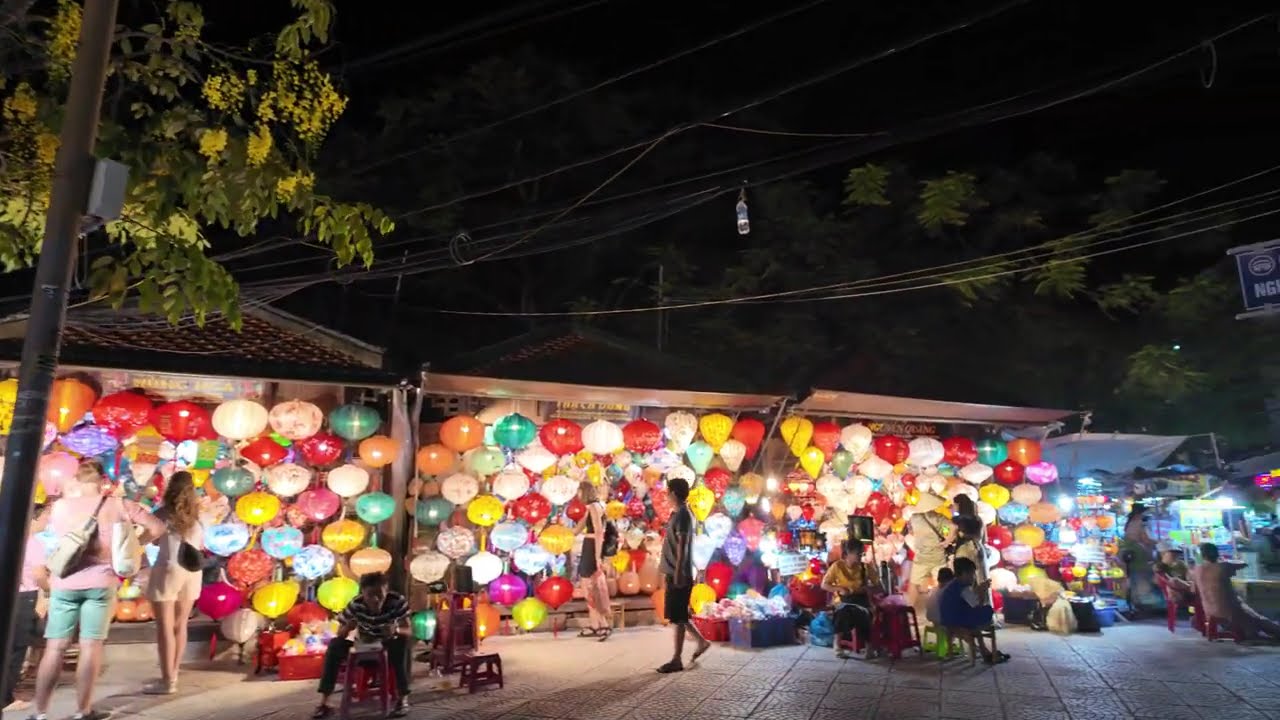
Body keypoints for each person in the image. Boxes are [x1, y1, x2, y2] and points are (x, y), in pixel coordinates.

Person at [32, 460, 165, 720]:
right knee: (90, 647)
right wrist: (136, 545)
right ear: (103, 480)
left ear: (77, 480)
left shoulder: (58, 507)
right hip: (102, 584)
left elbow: (45, 535)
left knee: (55, 648)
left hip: (65, 583)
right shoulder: (118, 505)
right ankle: (83, 711)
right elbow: (158, 527)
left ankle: (39, 713)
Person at [313, 572, 412, 718]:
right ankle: (325, 702)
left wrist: (396, 630)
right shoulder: (355, 605)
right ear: (363, 593)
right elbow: (340, 633)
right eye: (370, 595)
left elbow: (409, 630)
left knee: (402, 643)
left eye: (380, 594)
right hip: (364, 645)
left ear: (387, 590)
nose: (376, 599)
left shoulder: (397, 602)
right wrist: (347, 627)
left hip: (387, 646)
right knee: (335, 645)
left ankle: (402, 699)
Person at [143, 471, 205, 694]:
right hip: (192, 570)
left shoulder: (162, 514)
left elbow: (145, 539)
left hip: (168, 568)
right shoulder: (197, 517)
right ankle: (174, 673)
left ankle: (166, 680)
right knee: (181, 625)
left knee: (164, 628)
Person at [656, 477, 709, 674]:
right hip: (672, 571)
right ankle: (702, 642)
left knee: (677, 617)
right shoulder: (676, 515)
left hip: (679, 572)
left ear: (674, 494)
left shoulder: (684, 516)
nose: (666, 496)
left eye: (668, 492)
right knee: (678, 614)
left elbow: (683, 547)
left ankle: (676, 659)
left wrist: (679, 572)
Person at [5, 507, 52, 713]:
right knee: (17, 648)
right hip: (25, 596)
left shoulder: (9, 535)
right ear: (33, 518)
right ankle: (5, 698)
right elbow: (39, 574)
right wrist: (50, 589)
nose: (47, 522)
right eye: (45, 518)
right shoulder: (33, 543)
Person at [1192, 543, 1280, 642]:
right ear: (1217, 554)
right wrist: (1226, 561)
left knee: (1250, 616)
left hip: (1210, 611)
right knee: (1259, 620)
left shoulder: (1196, 570)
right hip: (1231, 610)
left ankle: (1251, 632)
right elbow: (1243, 564)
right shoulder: (1223, 567)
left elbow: (1193, 590)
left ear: (1202, 555)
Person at [820, 538, 880, 659]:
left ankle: (869, 648)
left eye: (861, 553)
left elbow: (878, 586)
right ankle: (837, 645)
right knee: (843, 613)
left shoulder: (865, 567)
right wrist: (839, 588)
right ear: (847, 554)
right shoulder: (837, 566)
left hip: (861, 600)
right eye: (857, 553)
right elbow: (824, 585)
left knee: (864, 614)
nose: (859, 556)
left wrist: (867, 588)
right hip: (844, 600)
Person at [940, 558, 1007, 664]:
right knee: (987, 610)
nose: (973, 577)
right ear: (965, 574)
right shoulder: (963, 588)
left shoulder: (953, 586)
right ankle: (989, 654)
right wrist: (982, 591)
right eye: (972, 574)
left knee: (978, 618)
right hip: (958, 620)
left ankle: (986, 653)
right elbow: (976, 605)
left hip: (948, 619)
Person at [575, 481, 613, 640]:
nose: (577, 495)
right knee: (588, 587)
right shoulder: (593, 507)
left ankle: (602, 623)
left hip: (592, 547)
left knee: (590, 587)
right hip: (588, 546)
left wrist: (598, 557)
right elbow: (577, 529)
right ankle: (595, 623)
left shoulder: (594, 507)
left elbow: (598, 532)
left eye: (579, 492)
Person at [906, 493, 952, 616]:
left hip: (921, 556)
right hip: (938, 556)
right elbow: (953, 527)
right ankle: (943, 611)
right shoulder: (939, 518)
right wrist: (948, 540)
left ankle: (908, 612)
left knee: (914, 583)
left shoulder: (915, 518)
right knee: (941, 584)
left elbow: (911, 531)